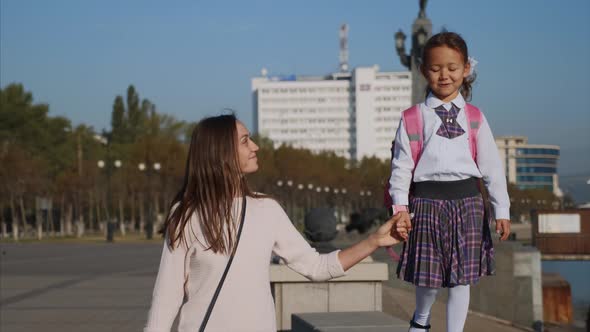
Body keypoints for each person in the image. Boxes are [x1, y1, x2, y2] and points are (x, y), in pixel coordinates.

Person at [144, 114, 401, 332]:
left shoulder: (266, 210)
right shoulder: (187, 215)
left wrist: (374, 241)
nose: (255, 146)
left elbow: (318, 267)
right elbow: (166, 297)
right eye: (245, 141)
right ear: (221, 153)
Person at [387, 32, 511, 332]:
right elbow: (401, 167)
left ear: (466, 69)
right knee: (427, 277)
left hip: (468, 204)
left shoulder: (475, 117)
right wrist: (399, 208)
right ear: (423, 70)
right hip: (426, 204)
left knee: (461, 280)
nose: (444, 75)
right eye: (436, 68)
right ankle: (421, 318)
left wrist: (502, 210)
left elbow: (492, 168)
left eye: (452, 68)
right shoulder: (412, 117)